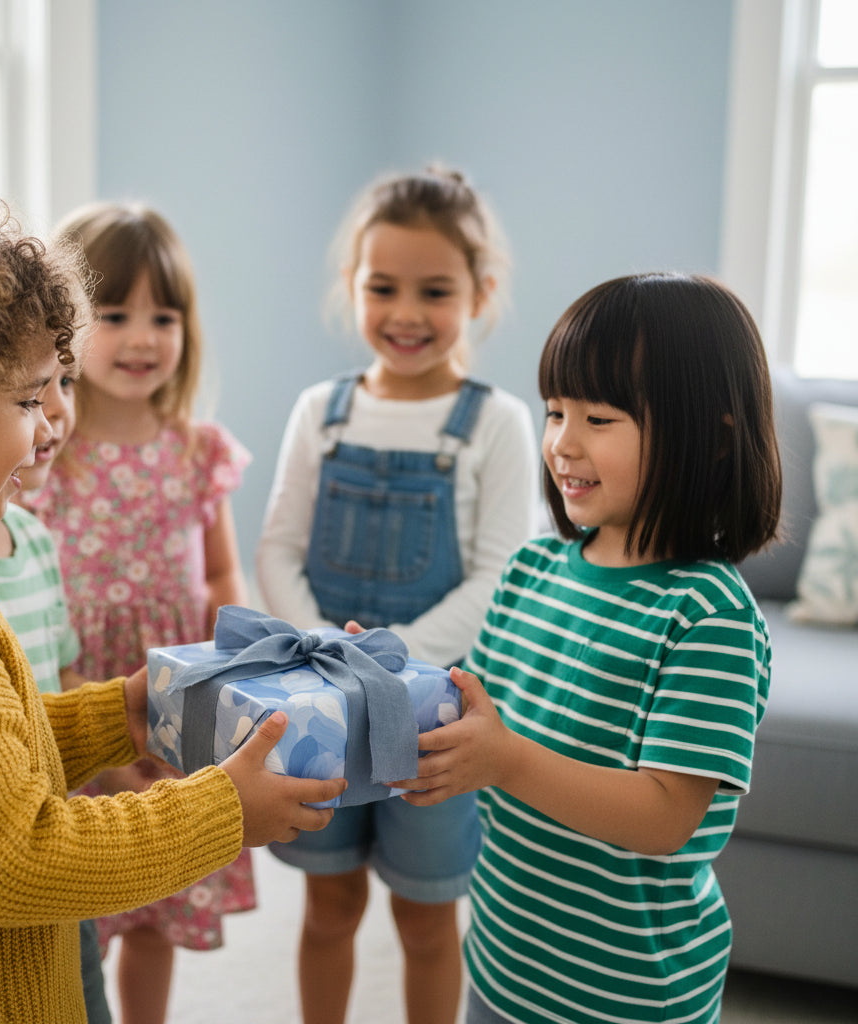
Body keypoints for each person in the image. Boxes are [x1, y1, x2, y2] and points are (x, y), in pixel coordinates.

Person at [0, 175, 345, 1024]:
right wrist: (222, 809)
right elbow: (13, 856)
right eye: (28, 399)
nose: (47, 428)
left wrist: (120, 714)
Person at [391, 272, 783, 1024]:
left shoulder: (709, 615)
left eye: (599, 418)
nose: (562, 443)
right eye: (555, 412)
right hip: (504, 965)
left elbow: (667, 816)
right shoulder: (531, 570)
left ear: (714, 433)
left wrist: (505, 760)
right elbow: (475, 715)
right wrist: (389, 679)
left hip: (627, 999)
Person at [255, 166, 539, 1024]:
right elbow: (277, 547)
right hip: (322, 705)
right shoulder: (321, 410)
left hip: (432, 715)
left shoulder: (498, 422)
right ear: (353, 287)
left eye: (435, 290)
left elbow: (499, 575)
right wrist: (323, 654)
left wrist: (390, 665)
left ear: (480, 295)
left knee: (426, 916)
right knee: (329, 907)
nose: (407, 312)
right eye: (383, 287)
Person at [22, 200, 255, 1024]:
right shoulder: (45, 454)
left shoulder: (198, 450)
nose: (143, 336)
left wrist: (233, 667)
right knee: (89, 904)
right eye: (115, 314)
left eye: (165, 315)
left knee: (161, 891)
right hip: (87, 691)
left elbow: (223, 568)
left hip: (185, 694)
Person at [0, 368, 112, 1023]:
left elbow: (63, 675)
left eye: (65, 382)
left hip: (55, 826)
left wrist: (121, 722)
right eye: (27, 395)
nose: (55, 413)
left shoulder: (37, 539)